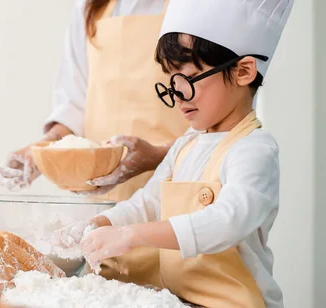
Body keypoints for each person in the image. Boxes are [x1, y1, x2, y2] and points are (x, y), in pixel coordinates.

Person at [57, 0, 294, 307]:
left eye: (189, 78)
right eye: (172, 80)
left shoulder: (254, 149)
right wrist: (103, 222)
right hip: (184, 299)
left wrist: (132, 235)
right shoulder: (188, 143)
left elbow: (228, 220)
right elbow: (149, 201)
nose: (178, 94)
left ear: (243, 71)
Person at [0, 0, 189, 288]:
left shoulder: (196, 7)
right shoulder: (91, 9)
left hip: (181, 204)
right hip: (102, 218)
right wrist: (44, 150)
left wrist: (157, 156)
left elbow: (220, 116)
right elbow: (74, 108)